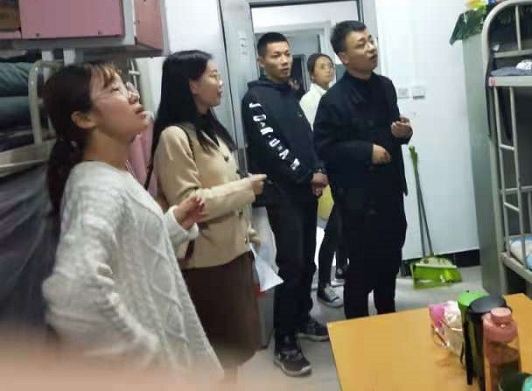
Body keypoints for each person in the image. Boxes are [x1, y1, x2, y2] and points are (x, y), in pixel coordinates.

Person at [40, 63, 222, 381]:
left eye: (125, 85)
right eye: (114, 89)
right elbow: (75, 293)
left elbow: (130, 257)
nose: (132, 94)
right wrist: (144, 356)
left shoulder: (113, 174)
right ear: (84, 118)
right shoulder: (96, 185)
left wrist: (170, 226)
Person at [150, 51, 267, 376]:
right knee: (216, 358)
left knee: (234, 355)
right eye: (213, 76)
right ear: (191, 85)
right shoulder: (174, 137)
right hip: (206, 265)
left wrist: (249, 236)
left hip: (234, 254)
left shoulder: (208, 129)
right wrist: (246, 188)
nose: (220, 82)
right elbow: (188, 204)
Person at [242, 32, 329, 377]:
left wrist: (318, 168)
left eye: (287, 54)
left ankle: (301, 317)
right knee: (291, 264)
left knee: (307, 261)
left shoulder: (290, 93)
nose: (284, 60)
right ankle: (285, 341)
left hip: (305, 191)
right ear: (261, 61)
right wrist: (306, 175)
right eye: (275, 55)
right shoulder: (255, 98)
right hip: (283, 194)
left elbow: (306, 139)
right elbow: (272, 148)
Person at [315, 21, 413, 319]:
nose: (371, 48)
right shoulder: (334, 100)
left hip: (390, 190)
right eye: (362, 44)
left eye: (371, 40)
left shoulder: (385, 86)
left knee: (390, 259)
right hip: (358, 200)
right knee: (361, 270)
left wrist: (403, 133)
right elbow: (324, 147)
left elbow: (394, 129)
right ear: (344, 57)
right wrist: (366, 151)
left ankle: (388, 314)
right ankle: (357, 328)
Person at [299, 53, 347, 309]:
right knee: (333, 228)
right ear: (311, 74)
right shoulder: (310, 100)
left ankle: (341, 268)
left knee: (343, 224)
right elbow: (312, 140)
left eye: (330, 65)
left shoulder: (331, 95)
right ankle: (324, 284)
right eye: (322, 67)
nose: (328, 70)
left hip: (338, 169)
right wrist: (320, 171)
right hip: (325, 173)